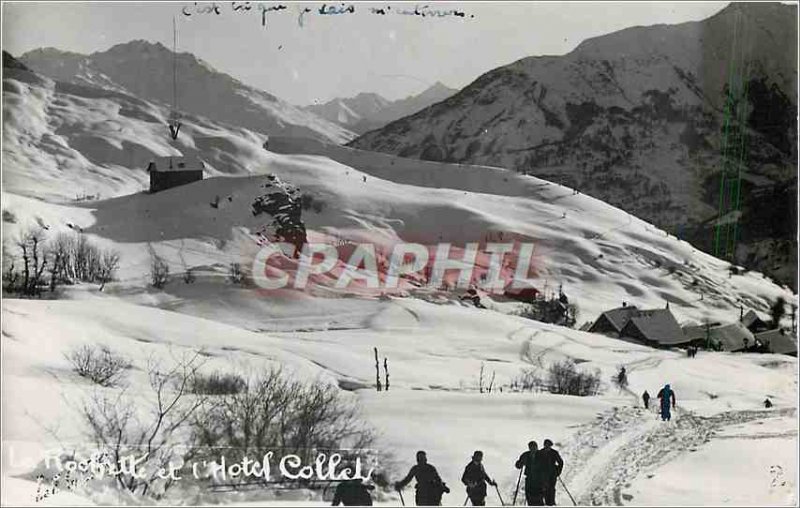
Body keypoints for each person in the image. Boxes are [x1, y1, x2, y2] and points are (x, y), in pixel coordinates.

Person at [535, 439, 563, 506]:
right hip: (542, 475)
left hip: (552, 474)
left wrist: (558, 471)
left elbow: (560, 462)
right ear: (544, 445)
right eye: (546, 445)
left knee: (551, 489)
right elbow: (536, 463)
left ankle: (551, 503)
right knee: (542, 489)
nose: (547, 446)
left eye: (549, 445)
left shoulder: (554, 453)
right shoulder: (539, 452)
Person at [515, 441, 544, 506]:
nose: (533, 449)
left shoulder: (541, 455)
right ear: (529, 448)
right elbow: (518, 465)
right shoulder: (526, 455)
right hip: (529, 480)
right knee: (530, 499)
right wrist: (520, 463)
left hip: (539, 480)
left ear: (537, 447)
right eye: (531, 447)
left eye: (534, 447)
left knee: (539, 499)